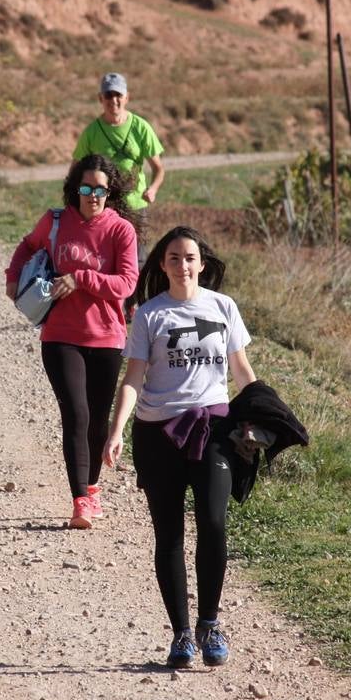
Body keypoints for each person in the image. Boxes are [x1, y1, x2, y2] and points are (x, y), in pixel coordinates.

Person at [103, 226, 257, 669]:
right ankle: (182, 635)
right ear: (163, 265)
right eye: (173, 258)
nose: (182, 265)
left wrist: (259, 415)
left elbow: (242, 370)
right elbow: (133, 378)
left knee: (213, 521)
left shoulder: (223, 306)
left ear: (201, 263)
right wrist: (116, 431)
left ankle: (210, 624)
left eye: (189, 257)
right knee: (168, 535)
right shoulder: (149, 315)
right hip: (158, 433)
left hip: (212, 428)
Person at [5, 153, 141, 529]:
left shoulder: (120, 231)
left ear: (109, 191)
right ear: (75, 188)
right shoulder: (56, 221)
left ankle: (93, 488)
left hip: (107, 337)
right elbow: (27, 246)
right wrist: (12, 278)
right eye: (85, 187)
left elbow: (126, 284)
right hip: (60, 335)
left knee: (97, 419)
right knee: (76, 414)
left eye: (100, 189)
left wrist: (81, 278)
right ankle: (80, 499)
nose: (92, 195)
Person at [71, 72, 166, 237]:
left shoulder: (141, 127)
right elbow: (75, 170)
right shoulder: (91, 132)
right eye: (108, 95)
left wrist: (152, 189)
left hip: (135, 204)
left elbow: (159, 169)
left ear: (127, 97)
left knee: (137, 256)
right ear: (101, 98)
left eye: (118, 95)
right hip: (103, 204)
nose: (113, 100)